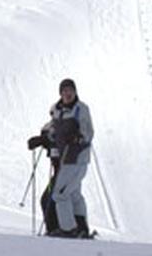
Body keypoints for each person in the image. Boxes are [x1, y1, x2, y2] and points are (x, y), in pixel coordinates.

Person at [40, 78, 94, 238]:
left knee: (60, 194)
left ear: (75, 92)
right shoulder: (57, 110)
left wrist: (78, 138)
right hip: (63, 159)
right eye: (64, 91)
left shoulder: (81, 109)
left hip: (76, 158)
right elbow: (52, 128)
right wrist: (42, 137)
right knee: (73, 194)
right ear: (60, 93)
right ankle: (81, 227)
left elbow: (88, 132)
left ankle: (68, 229)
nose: (67, 93)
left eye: (70, 90)